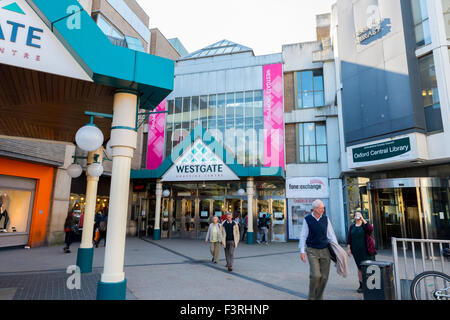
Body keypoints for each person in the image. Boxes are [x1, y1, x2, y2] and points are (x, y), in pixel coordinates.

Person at [299, 199, 338, 300]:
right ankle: (311, 297)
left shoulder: (325, 219)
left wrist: (337, 249)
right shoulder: (307, 219)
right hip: (312, 250)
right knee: (315, 275)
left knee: (324, 277)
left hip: (325, 250)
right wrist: (302, 251)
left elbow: (331, 235)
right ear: (315, 209)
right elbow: (303, 235)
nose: (323, 210)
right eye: (321, 208)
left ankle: (319, 297)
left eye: (323, 208)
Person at [347, 210, 376, 293]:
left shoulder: (364, 226)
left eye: (359, 215)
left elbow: (370, 229)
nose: (357, 216)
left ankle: (371, 285)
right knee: (359, 268)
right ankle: (361, 285)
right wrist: (349, 249)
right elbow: (349, 239)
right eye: (356, 215)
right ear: (354, 217)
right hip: (356, 251)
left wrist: (363, 219)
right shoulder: (352, 226)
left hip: (366, 250)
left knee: (369, 267)